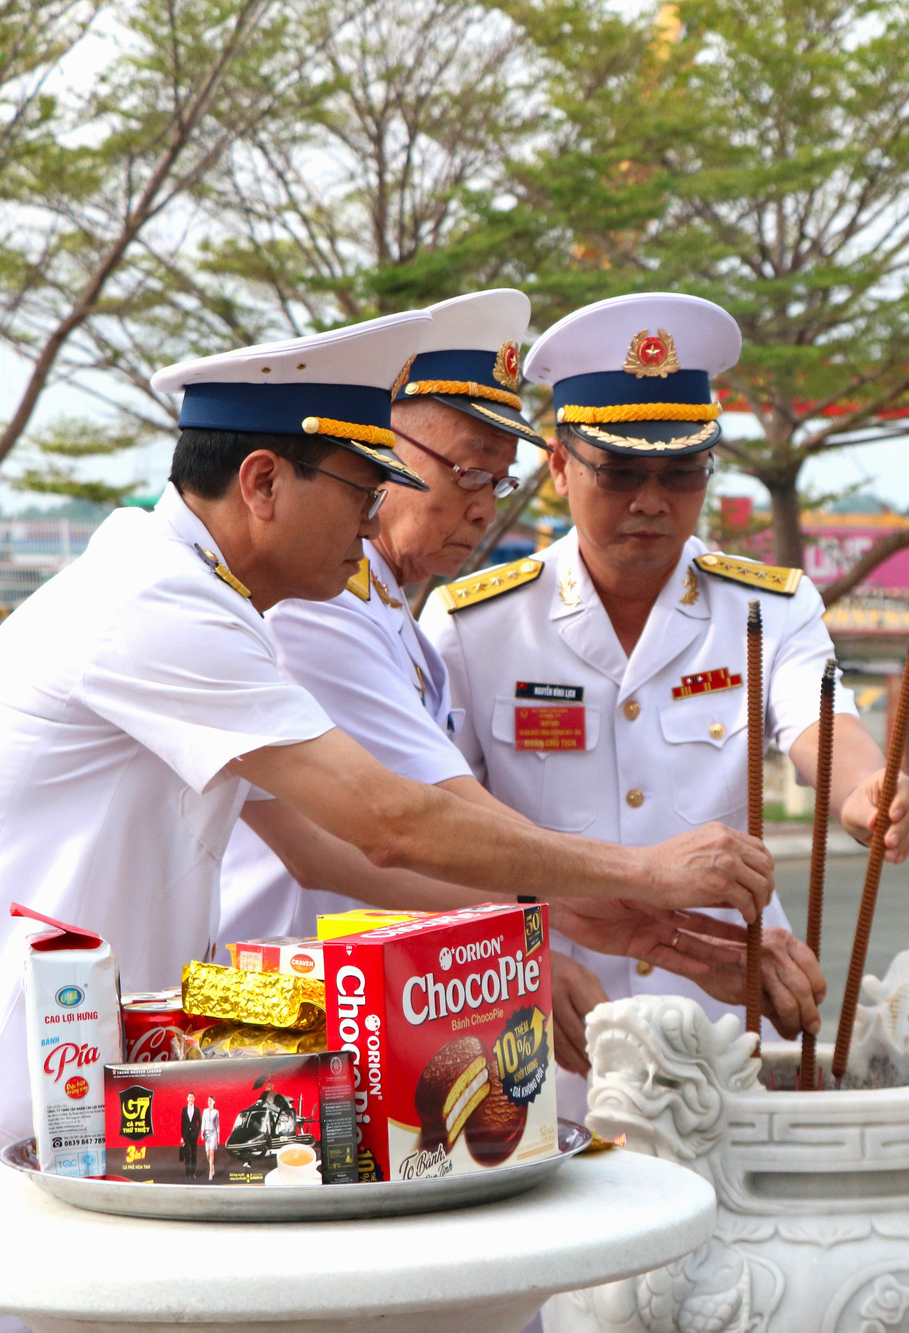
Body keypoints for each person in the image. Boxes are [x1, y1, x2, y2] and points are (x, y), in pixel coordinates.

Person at [0, 310, 774, 1333]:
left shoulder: (214, 608)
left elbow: (329, 844)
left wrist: (566, 910)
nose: (369, 526)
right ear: (263, 483)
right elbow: (390, 817)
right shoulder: (155, 606)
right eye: (360, 493)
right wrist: (639, 874)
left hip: (67, 1114)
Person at [219, 291, 824, 1070]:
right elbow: (406, 827)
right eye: (466, 472)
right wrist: (639, 885)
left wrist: (609, 928)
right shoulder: (326, 611)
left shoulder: (388, 614)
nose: (480, 509)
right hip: (286, 1009)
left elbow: (417, 843)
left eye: (494, 483)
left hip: (358, 1008)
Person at [423, 292, 909, 1113]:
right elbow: (436, 826)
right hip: (545, 1033)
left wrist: (874, 792)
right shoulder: (473, 624)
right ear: (558, 466)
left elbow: (821, 724)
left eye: (680, 472)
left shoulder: (768, 608)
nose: (650, 501)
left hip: (724, 1031)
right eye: (619, 472)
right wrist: (518, 946)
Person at [180, 1090, 200, 1179]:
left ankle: (193, 1173)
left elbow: (200, 1122)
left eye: (192, 1097)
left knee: (194, 1154)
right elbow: (182, 1123)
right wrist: (182, 1137)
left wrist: (197, 1132)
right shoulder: (184, 1109)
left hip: (194, 1135)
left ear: (194, 1099)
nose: (191, 1099)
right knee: (187, 1154)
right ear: (187, 1099)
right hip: (186, 1135)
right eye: (189, 1097)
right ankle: (188, 1173)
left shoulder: (197, 1109)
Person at [201, 1096, 221, 1182]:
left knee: (212, 1152)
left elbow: (217, 1124)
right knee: (208, 1154)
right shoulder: (205, 1111)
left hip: (213, 1133)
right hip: (207, 1134)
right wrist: (202, 1133)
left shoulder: (216, 1112)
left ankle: (210, 1172)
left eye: (210, 1100)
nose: (209, 1101)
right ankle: (212, 1166)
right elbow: (203, 1123)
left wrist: (218, 1136)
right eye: (208, 1100)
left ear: (214, 1101)